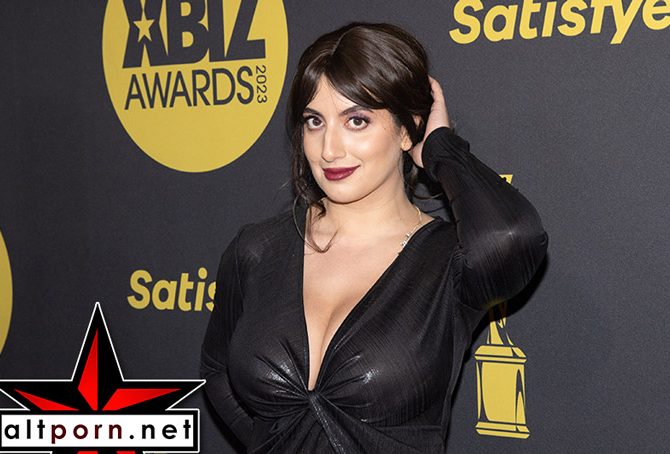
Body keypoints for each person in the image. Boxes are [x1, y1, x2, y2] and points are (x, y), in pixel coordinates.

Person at [200, 22, 548, 453]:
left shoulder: (448, 261)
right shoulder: (258, 249)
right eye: (314, 121)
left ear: (406, 129)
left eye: (357, 120)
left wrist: (441, 149)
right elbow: (216, 370)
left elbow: (513, 237)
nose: (329, 149)